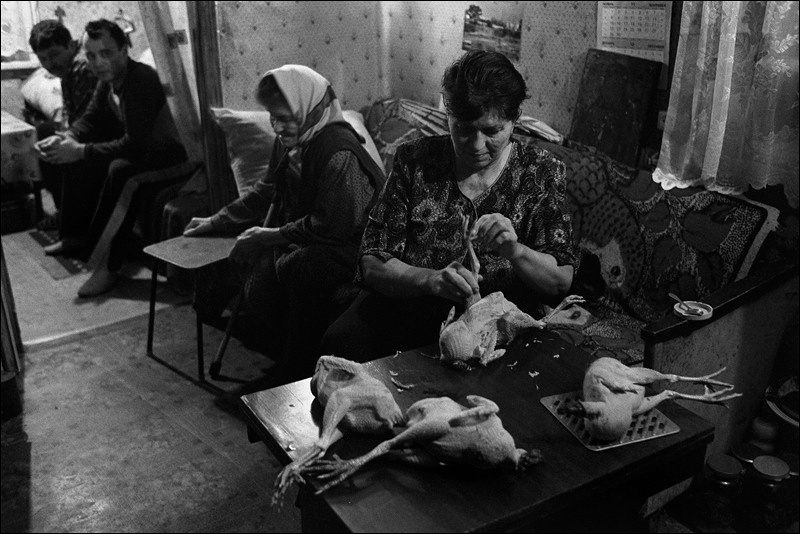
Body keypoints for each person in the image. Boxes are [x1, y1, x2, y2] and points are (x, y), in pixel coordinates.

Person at [319, 50, 579, 362]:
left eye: (492, 130)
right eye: (464, 129)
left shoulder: (541, 171)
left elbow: (560, 280)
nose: (477, 145)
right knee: (341, 341)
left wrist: (515, 251)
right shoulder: (414, 161)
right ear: (448, 117)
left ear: (514, 121)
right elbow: (373, 261)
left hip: (495, 317)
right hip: (412, 306)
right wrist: (430, 279)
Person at [183, 64, 386, 380]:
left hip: (360, 246)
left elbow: (335, 226)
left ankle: (299, 369)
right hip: (315, 236)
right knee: (258, 277)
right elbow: (266, 192)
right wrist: (216, 220)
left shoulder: (339, 152)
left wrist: (270, 236)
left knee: (299, 267)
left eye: (286, 116)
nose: (277, 126)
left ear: (311, 106)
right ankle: (289, 353)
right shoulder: (291, 141)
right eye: (273, 116)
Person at [35, 19, 188, 298]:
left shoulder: (139, 79)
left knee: (122, 172)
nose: (98, 62)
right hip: (147, 152)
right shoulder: (108, 80)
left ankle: (109, 267)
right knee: (92, 160)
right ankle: (89, 247)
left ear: (124, 49)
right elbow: (91, 117)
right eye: (91, 55)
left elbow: (134, 145)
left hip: (175, 156)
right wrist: (67, 137)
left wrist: (81, 150)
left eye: (106, 53)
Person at [29, 19, 118, 255]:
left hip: (108, 133)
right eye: (43, 59)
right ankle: (65, 216)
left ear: (71, 45)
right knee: (46, 135)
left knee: (65, 152)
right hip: (91, 130)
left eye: (55, 54)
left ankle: (74, 234)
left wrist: (68, 139)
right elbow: (75, 115)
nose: (50, 63)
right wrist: (64, 134)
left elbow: (91, 118)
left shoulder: (82, 67)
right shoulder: (68, 70)